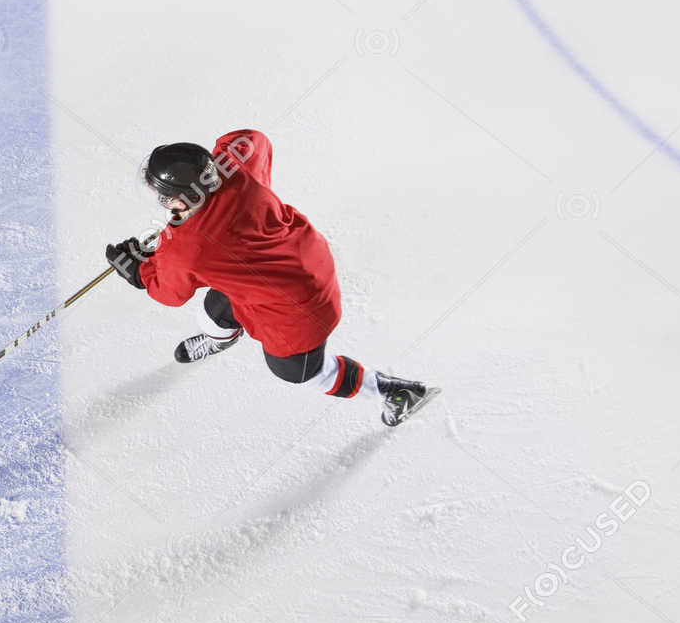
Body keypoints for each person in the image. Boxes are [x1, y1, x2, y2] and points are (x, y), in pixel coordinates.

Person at [105, 130, 435, 426]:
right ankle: (223, 339)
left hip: (297, 312)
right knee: (212, 313)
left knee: (302, 374)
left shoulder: (190, 249)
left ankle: (393, 391)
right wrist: (213, 163)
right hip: (300, 261)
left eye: (161, 195)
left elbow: (169, 293)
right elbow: (252, 140)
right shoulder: (235, 165)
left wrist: (136, 270)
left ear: (178, 199)